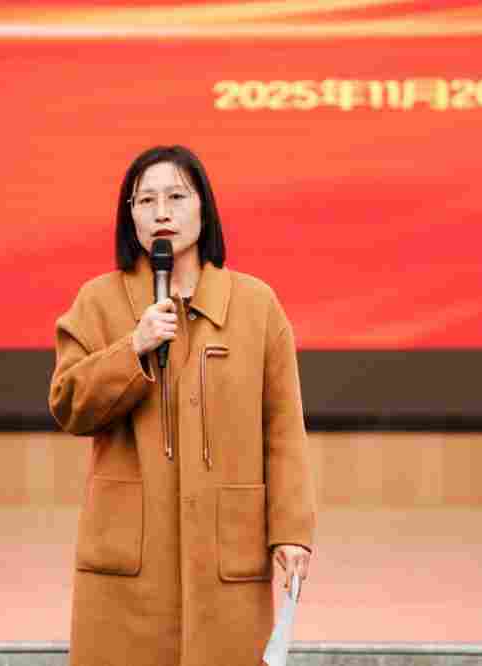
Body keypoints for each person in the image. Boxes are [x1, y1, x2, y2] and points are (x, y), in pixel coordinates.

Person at [48, 145, 316, 666]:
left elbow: (283, 428)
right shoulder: (99, 301)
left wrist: (291, 532)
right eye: (146, 201)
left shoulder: (256, 306)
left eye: (175, 197)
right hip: (128, 562)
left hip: (226, 556)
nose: (161, 212)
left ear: (204, 209)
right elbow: (68, 403)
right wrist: (134, 347)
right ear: (130, 218)